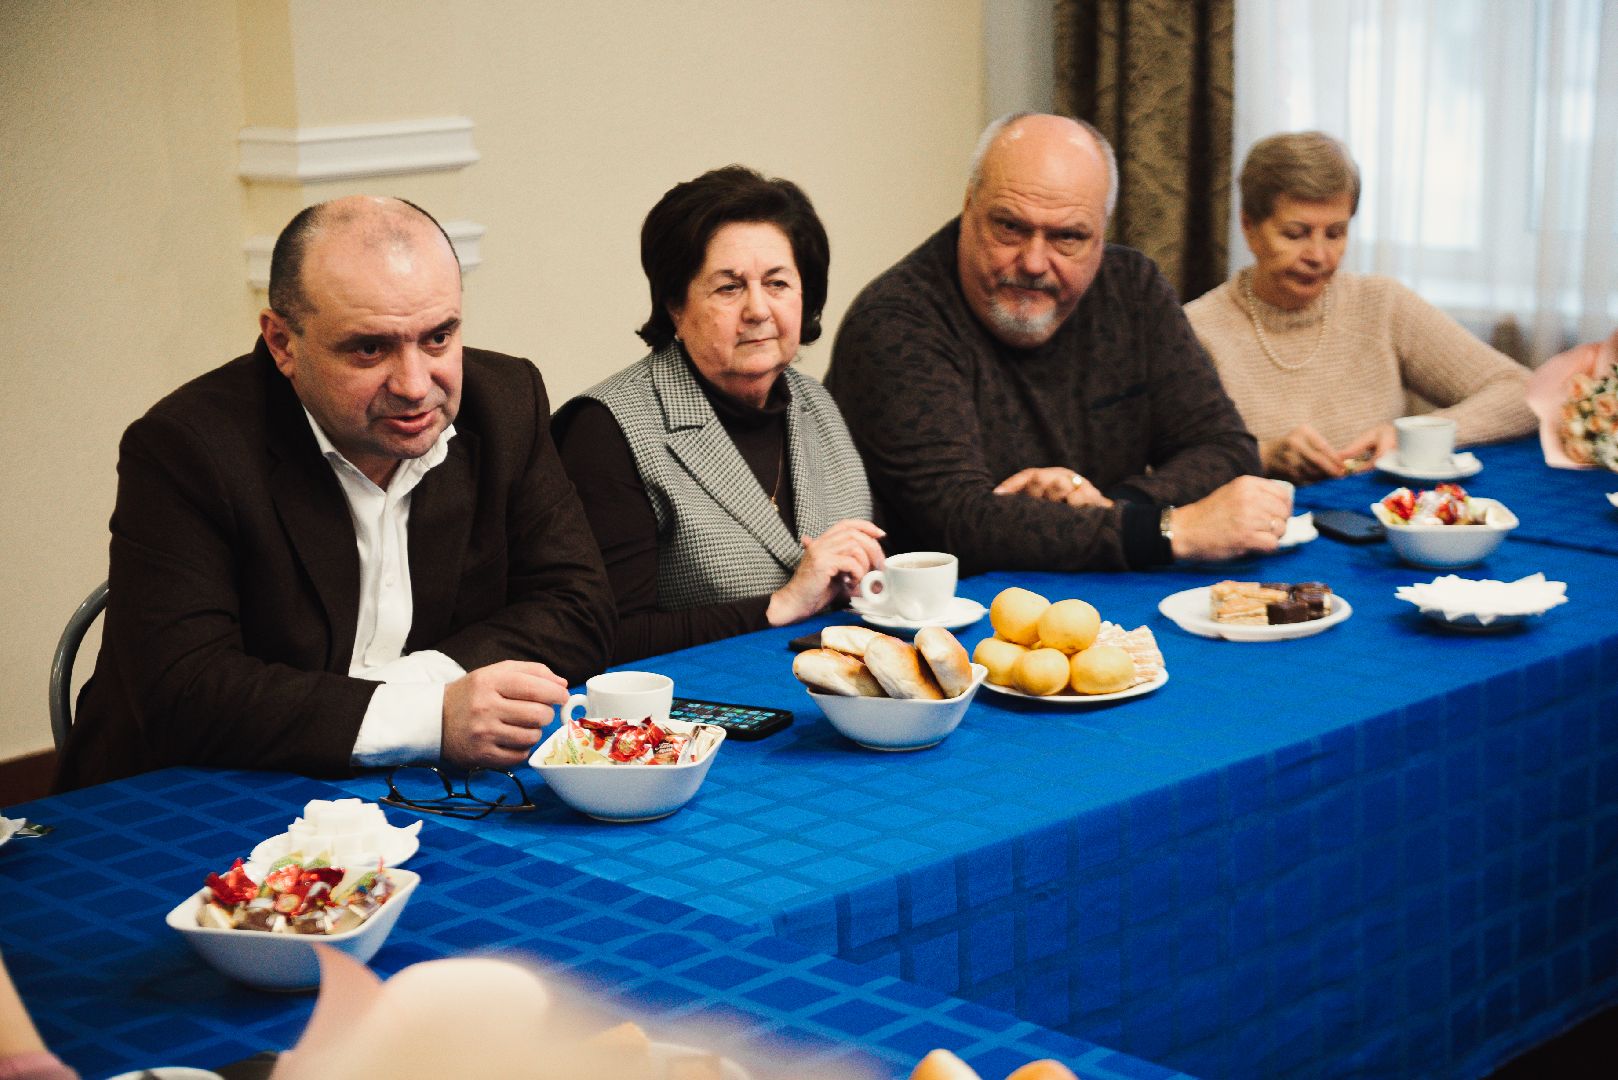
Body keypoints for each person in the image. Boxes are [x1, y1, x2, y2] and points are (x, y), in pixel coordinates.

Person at [56, 196, 616, 792]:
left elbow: (579, 605)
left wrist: (430, 690)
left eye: (438, 337)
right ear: (282, 343)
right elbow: (184, 692)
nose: (414, 385)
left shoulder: (503, 402)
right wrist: (431, 715)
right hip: (188, 793)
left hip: (404, 785)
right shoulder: (187, 449)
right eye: (369, 349)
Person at [825, 113, 1279, 573]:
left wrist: (1114, 505)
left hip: (1105, 596)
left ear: (1103, 233)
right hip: (951, 622)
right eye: (1009, 227)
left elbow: (1226, 450)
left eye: (1068, 237)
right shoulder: (895, 322)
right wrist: (1167, 529)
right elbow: (959, 522)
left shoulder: (1132, 288)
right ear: (968, 206)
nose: (1034, 262)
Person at [554, 167, 881, 662]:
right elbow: (606, 639)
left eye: (777, 283)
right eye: (729, 288)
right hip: (693, 718)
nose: (758, 310)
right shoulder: (607, 430)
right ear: (675, 308)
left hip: (835, 692)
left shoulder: (817, 404)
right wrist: (781, 604)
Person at [1186, 131, 1535, 483]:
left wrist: (1414, 436)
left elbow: (1524, 393)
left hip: (1381, 523)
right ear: (1249, 228)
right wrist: (1262, 455)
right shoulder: (1196, 329)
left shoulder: (1380, 304)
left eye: (1336, 233)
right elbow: (1160, 463)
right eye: (1295, 234)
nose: (1319, 256)